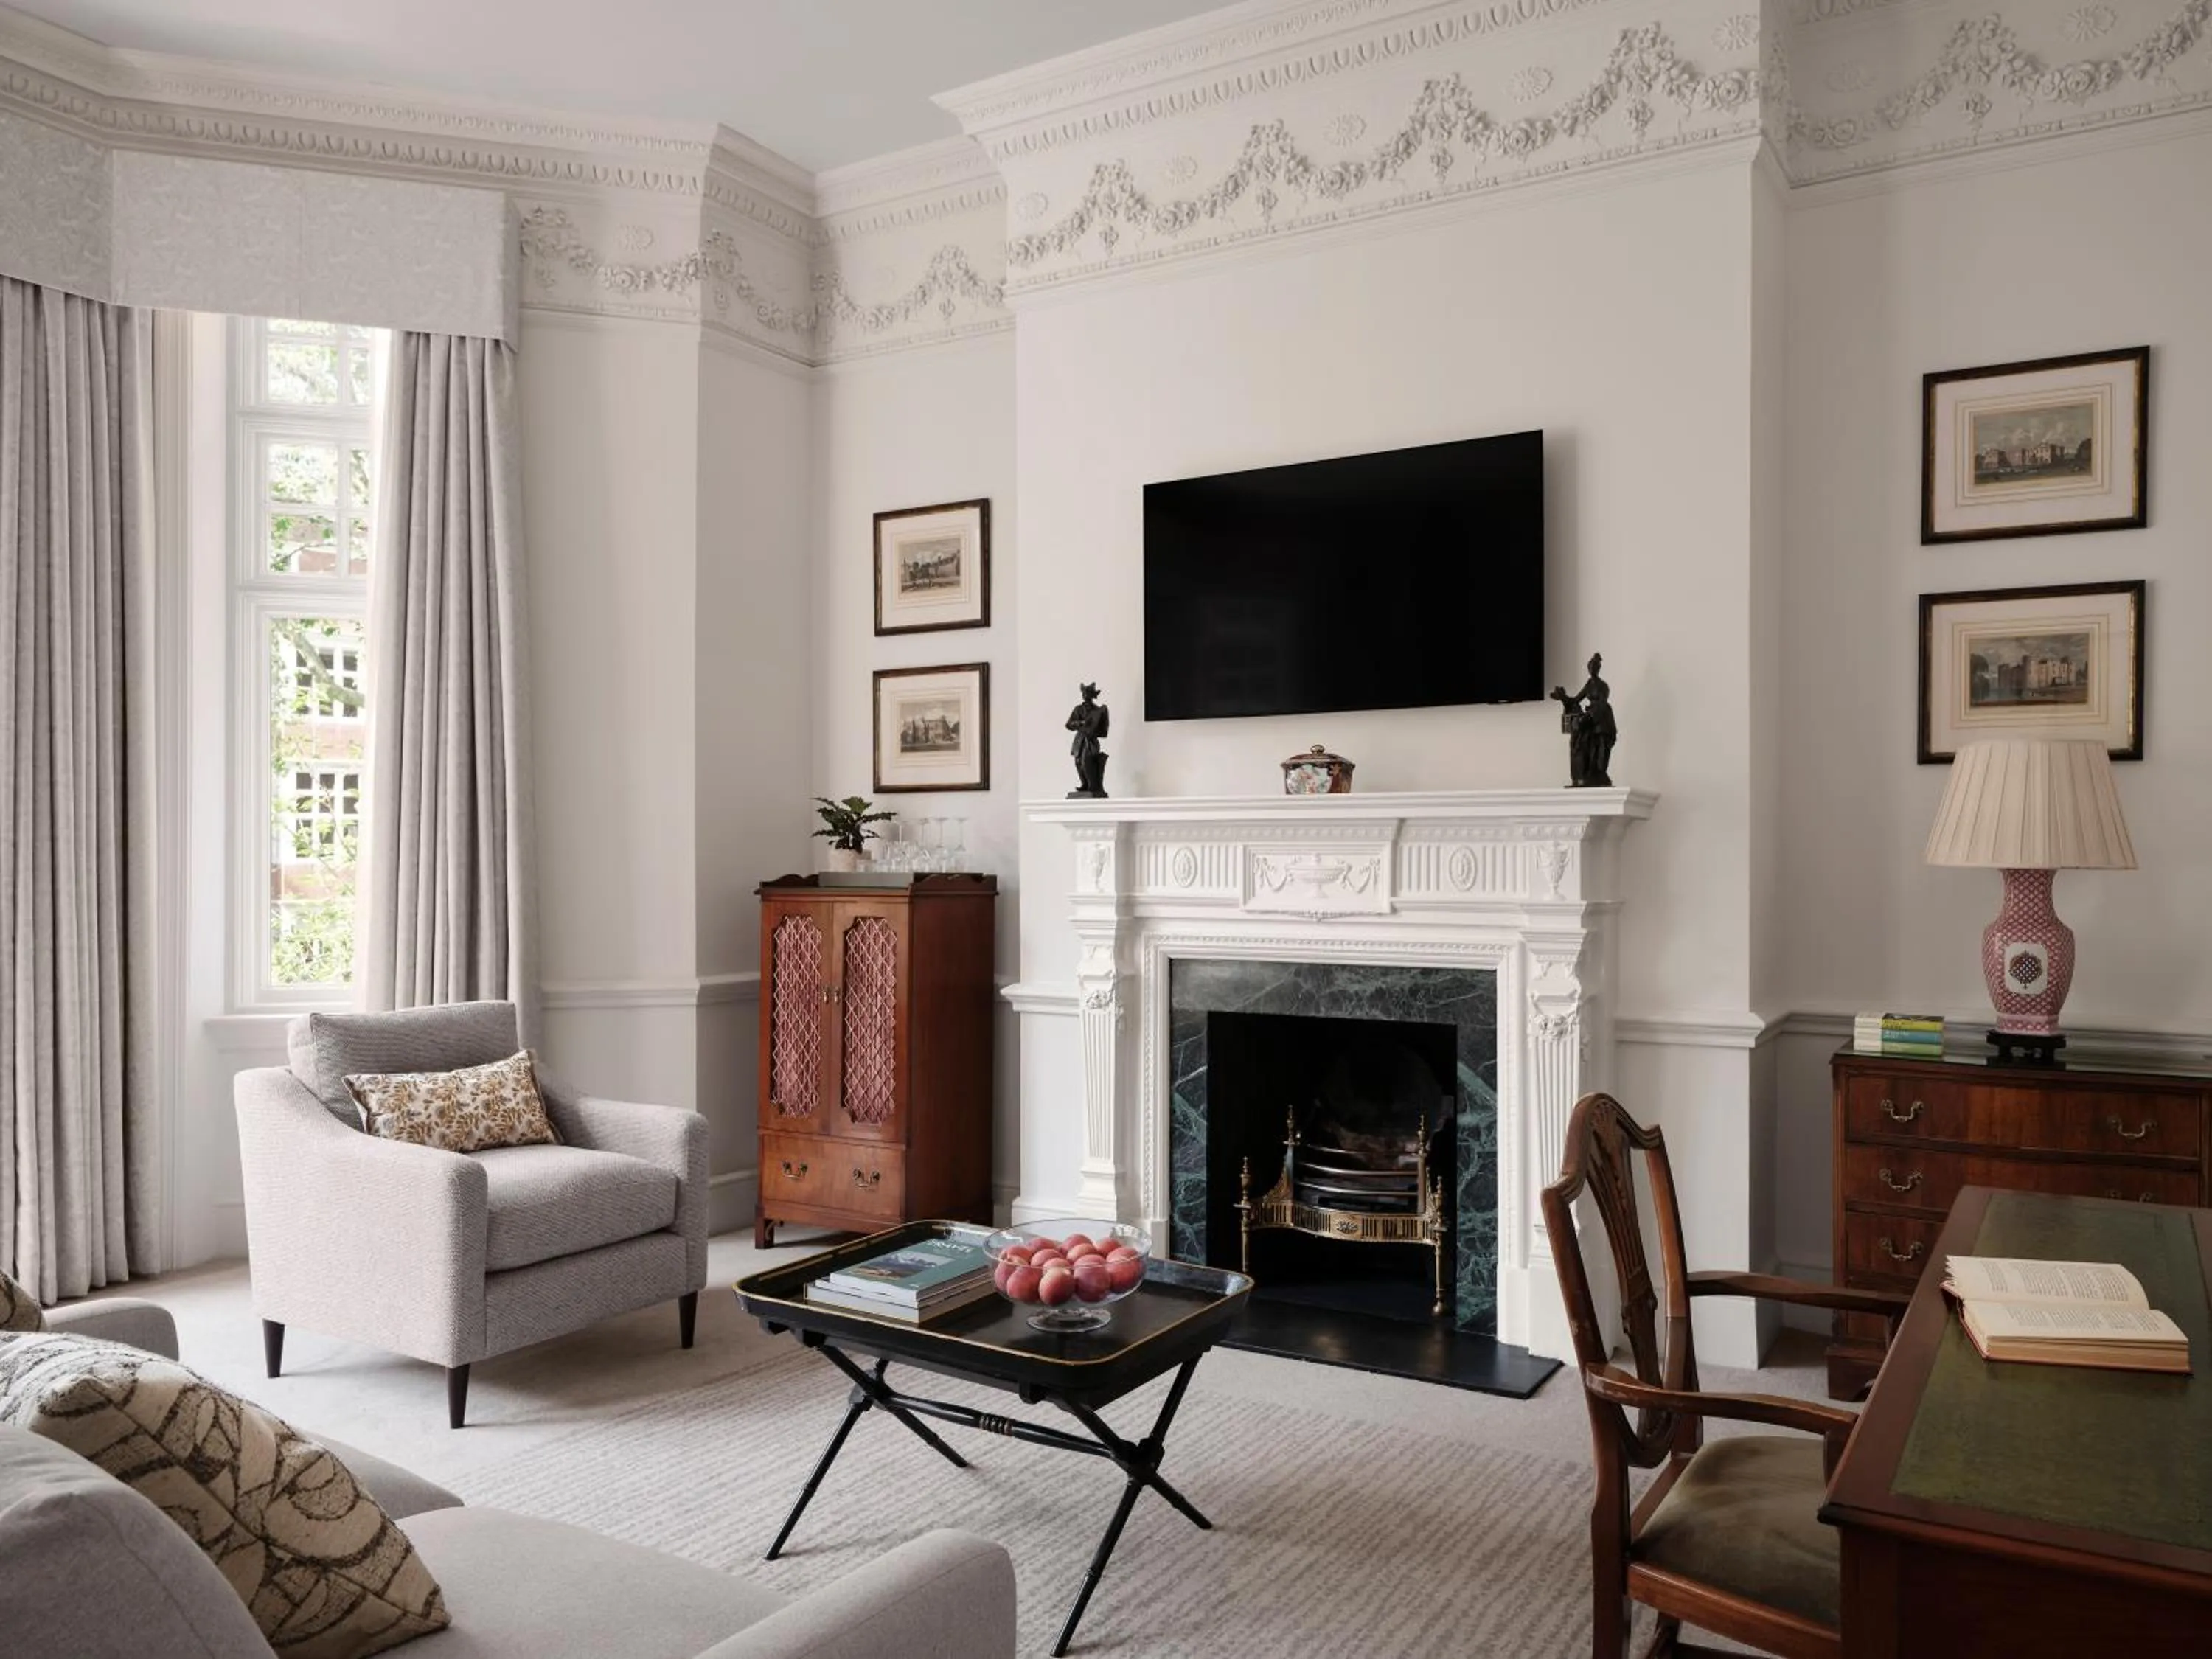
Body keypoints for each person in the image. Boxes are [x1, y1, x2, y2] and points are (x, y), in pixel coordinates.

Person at [1548, 653, 1616, 787]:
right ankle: (1589, 774)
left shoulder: (1603, 685)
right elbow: (1576, 700)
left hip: (1602, 717)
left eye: (1594, 667)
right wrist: (1563, 697)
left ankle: (1600, 774)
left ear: (1598, 668)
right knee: (1592, 746)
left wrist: (1589, 716)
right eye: (1590, 668)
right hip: (1592, 716)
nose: (1592, 670)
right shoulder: (1589, 684)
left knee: (1602, 746)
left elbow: (1602, 704)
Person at [1066, 682, 1110, 797]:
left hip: (1091, 739)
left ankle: (1093, 785)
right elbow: (1069, 724)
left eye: (1088, 693)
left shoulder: (1098, 710)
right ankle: (1084, 784)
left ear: (1093, 695)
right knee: (1078, 762)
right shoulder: (1078, 709)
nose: (1085, 695)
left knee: (1087, 762)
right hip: (1080, 739)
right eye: (1084, 693)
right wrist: (1080, 723)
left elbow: (1102, 729)